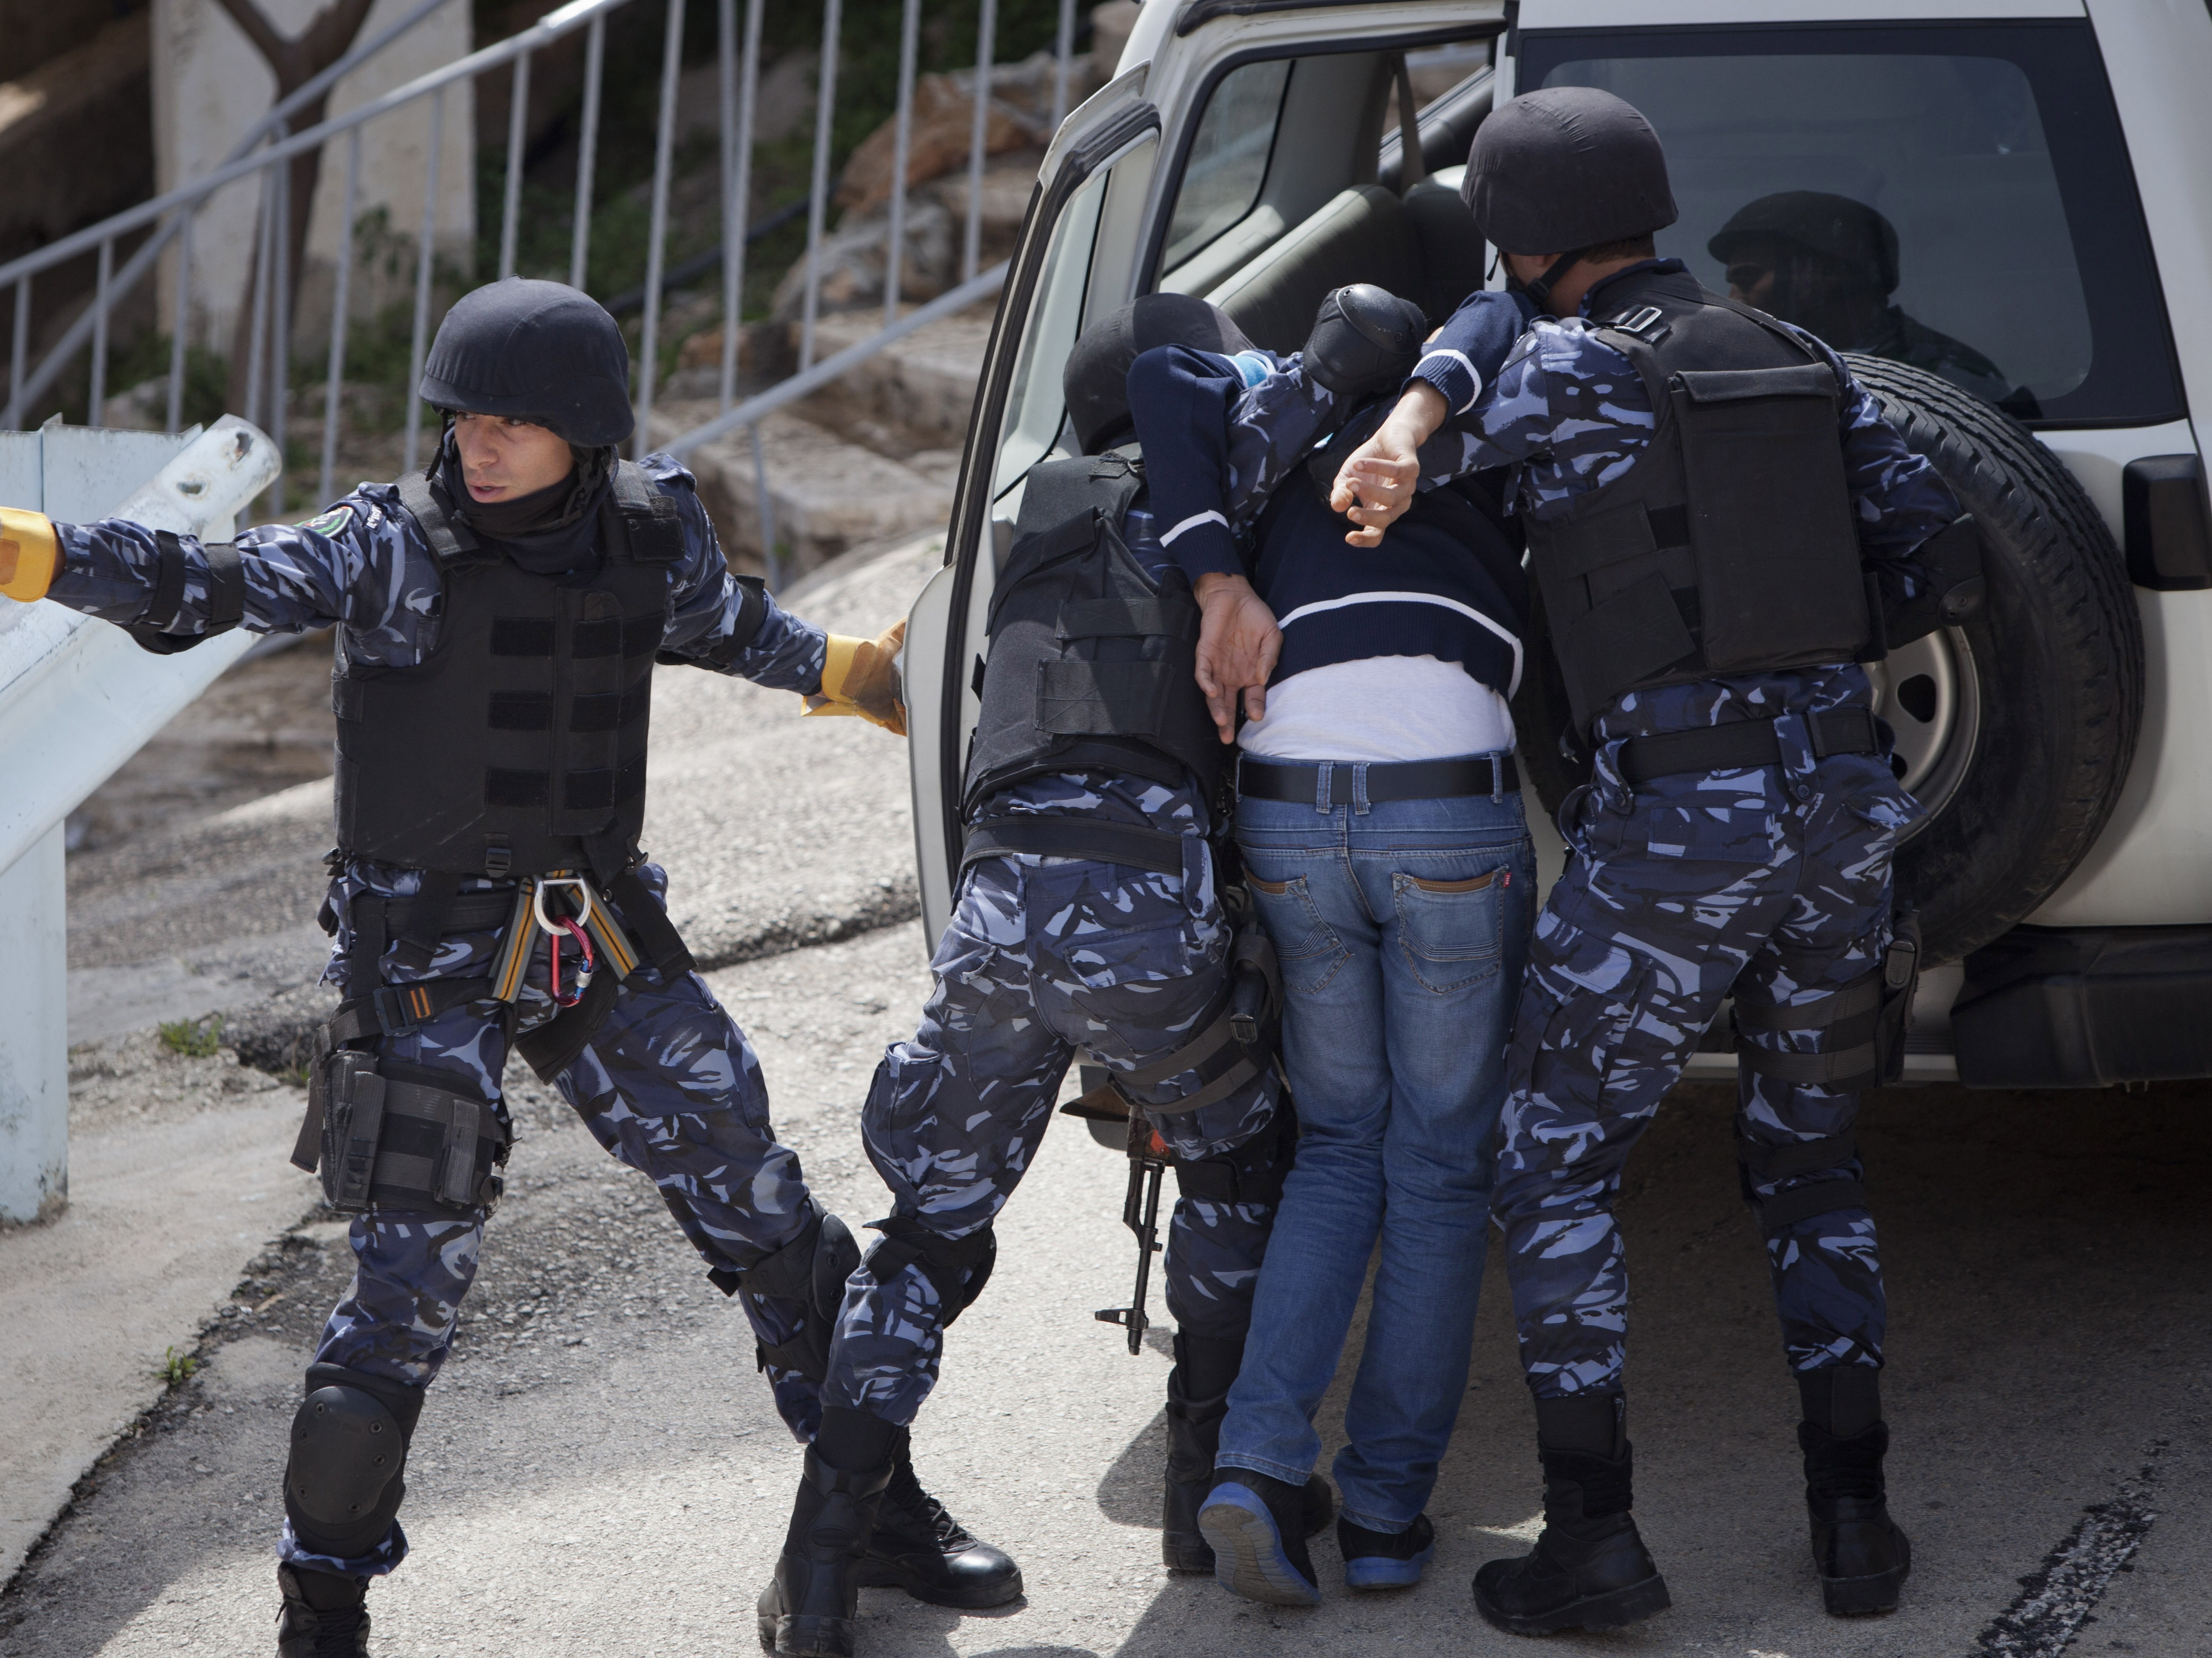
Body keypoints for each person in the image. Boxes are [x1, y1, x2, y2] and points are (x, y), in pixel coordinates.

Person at [0, 279, 1013, 1658]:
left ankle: (875, 1504)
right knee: (406, 1283)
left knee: (766, 1201)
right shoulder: (390, 545)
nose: (479, 445)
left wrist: (855, 670)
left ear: (585, 434)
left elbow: (727, 625)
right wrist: (12, 547)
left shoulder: (646, 527)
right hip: (422, 962)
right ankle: (323, 1604)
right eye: (465, 418)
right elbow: (205, 583)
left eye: (515, 424)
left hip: (593, 931)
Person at [1328, 88, 1977, 1635]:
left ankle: (1593, 1537)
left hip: (1679, 827)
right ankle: (1855, 1524)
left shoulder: (1556, 369)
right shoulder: (1807, 363)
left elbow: (1405, 438)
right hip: (1844, 807)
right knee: (1808, 1156)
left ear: (1524, 237)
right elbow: (1936, 543)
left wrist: (1426, 388)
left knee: (1554, 1160)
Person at [760, 290, 1422, 1658]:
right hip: (1146, 909)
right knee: (1239, 1157)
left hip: (998, 912)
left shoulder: (1028, 523)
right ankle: (1207, 1494)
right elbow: (1366, 323)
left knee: (926, 1236)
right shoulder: (1204, 475)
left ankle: (821, 1562)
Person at [1123, 286, 1543, 1608]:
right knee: (1433, 1167)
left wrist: (1217, 575)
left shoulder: (1266, 420)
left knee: (1341, 1145)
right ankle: (1376, 1516)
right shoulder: (1481, 421)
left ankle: (1249, 1465)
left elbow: (1157, 371)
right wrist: (1423, 406)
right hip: (1444, 806)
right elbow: (1493, 311)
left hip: (1289, 805)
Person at [1707, 190, 2020, 408]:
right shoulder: (1757, 371)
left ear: (1827, 273)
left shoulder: (1950, 377)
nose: (1733, 300)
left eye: (1748, 278)